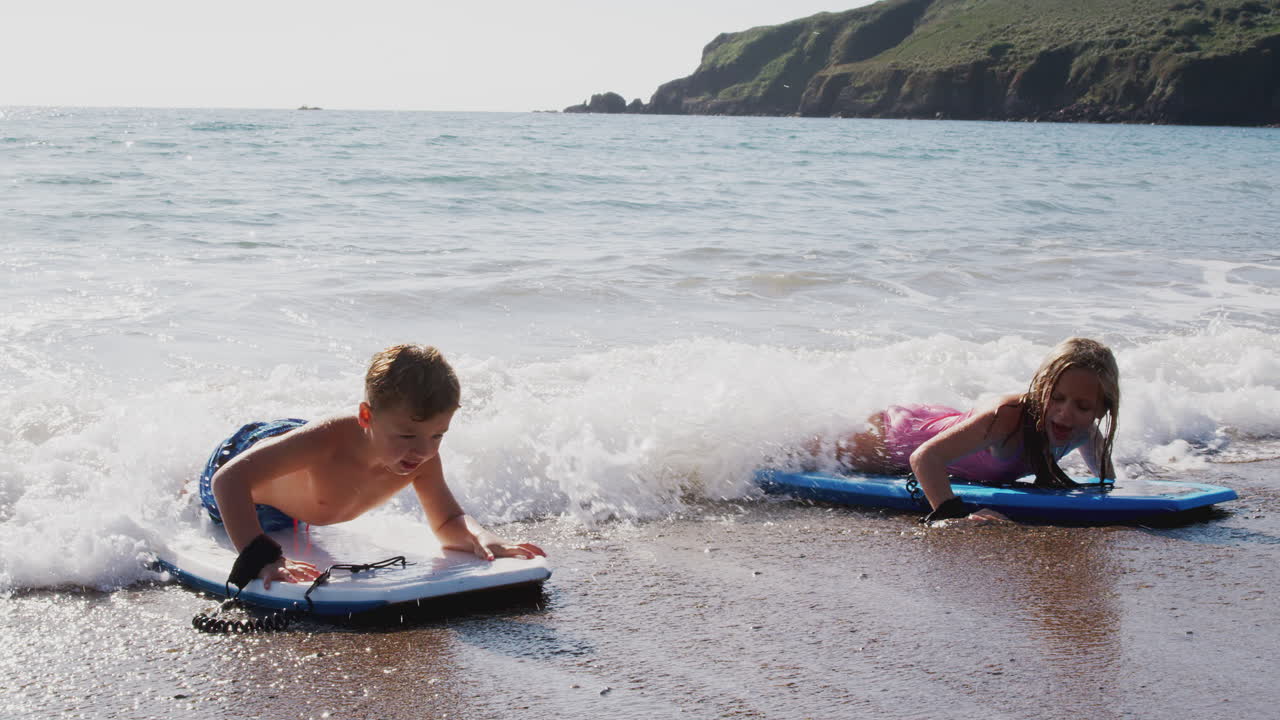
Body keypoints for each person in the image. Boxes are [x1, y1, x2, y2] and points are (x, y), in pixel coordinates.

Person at [198, 344, 545, 589]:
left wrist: (480, 537)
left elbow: (446, 521)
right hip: (241, 463)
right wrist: (259, 558)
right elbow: (228, 480)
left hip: (293, 505)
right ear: (366, 416)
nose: (423, 450)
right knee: (209, 499)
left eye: (438, 435)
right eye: (408, 435)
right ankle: (185, 488)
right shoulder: (326, 445)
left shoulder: (418, 458)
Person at [831, 337, 1120, 523]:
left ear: (1101, 409)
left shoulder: (1085, 431)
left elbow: (1108, 483)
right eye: (1056, 398)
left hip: (939, 427)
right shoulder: (1007, 417)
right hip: (894, 437)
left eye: (1082, 406)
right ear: (1041, 388)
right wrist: (952, 514)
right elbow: (924, 458)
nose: (1066, 412)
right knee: (813, 457)